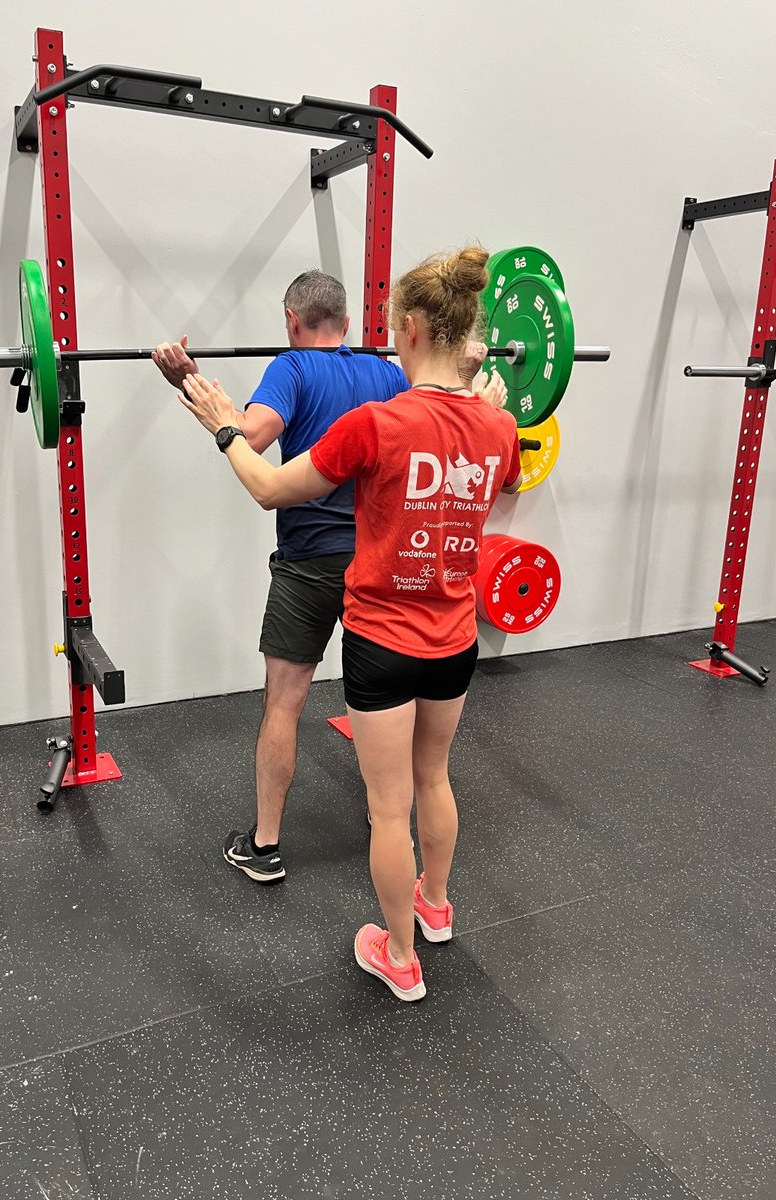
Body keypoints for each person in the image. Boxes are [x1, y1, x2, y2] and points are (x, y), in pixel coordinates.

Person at [175, 247, 521, 1001]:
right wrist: (487, 398)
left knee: (388, 808)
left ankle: (399, 956)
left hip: (385, 641)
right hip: (456, 639)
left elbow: (269, 487)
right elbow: (506, 494)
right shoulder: (499, 429)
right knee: (435, 778)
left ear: (408, 328)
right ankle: (435, 908)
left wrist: (223, 425)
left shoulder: (377, 423)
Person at [153, 273, 412, 883]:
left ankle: (265, 846)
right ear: (347, 323)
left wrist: (184, 380)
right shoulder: (389, 373)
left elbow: (247, 435)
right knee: (385, 696)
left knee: (286, 700)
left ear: (292, 319)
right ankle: (388, 816)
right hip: (377, 561)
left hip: (307, 564)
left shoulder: (292, 368)